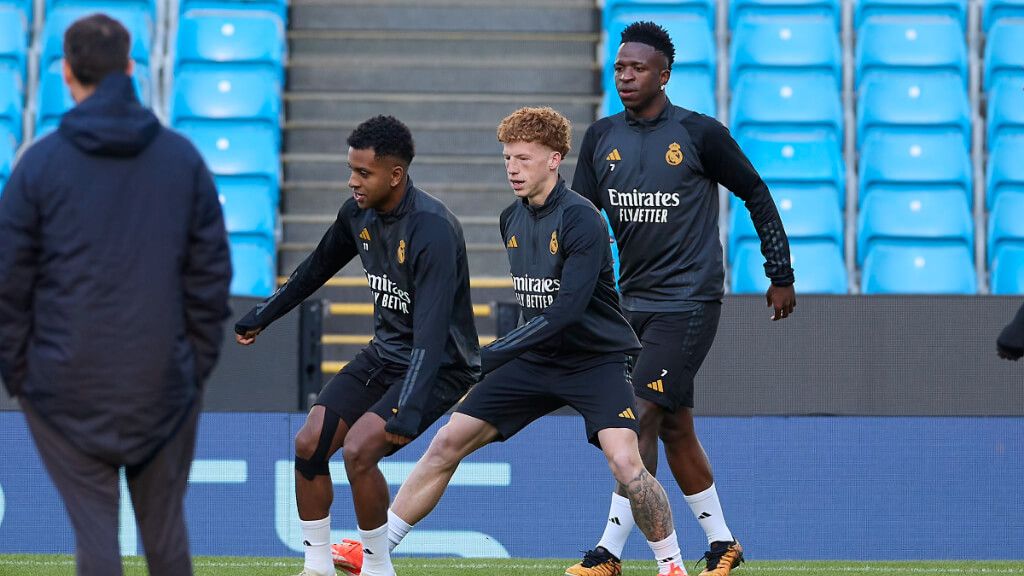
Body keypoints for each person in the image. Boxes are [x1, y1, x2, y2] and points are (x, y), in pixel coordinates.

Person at [334, 106, 690, 576]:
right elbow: (538, 314)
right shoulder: (510, 219)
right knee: (446, 442)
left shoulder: (582, 219)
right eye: (507, 158)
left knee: (626, 462)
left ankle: (672, 565)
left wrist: (486, 355)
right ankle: (374, 552)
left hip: (596, 360)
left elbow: (564, 312)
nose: (513, 169)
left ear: (554, 160)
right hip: (534, 359)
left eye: (523, 158)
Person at [0, 14, 232, 576]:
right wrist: (192, 367)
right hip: (161, 382)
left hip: (63, 384)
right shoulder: (182, 159)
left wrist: (22, 375)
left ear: (65, 73)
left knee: (96, 541)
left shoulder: (39, 165)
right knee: (166, 541)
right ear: (131, 68)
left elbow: (9, 282)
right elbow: (210, 278)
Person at [567, 21, 798, 576]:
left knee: (638, 414)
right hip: (630, 304)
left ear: (664, 75)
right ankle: (723, 544)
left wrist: (780, 272)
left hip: (689, 302)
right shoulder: (600, 138)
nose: (625, 76)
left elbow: (755, 191)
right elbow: (580, 221)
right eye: (619, 67)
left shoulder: (699, 134)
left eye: (637, 68)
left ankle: (609, 553)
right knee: (675, 427)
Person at [234, 115, 481, 576]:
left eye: (363, 173)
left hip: (440, 364)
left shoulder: (433, 229)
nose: (353, 181)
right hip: (385, 353)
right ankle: (316, 567)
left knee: (359, 450)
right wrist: (263, 314)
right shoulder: (356, 214)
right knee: (309, 443)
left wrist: (409, 407)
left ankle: (378, 568)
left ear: (395, 174)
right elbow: (314, 269)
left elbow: (431, 334)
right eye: (351, 170)